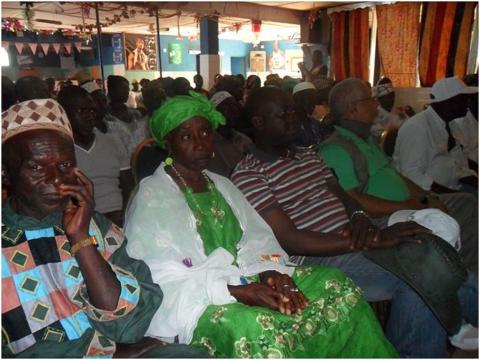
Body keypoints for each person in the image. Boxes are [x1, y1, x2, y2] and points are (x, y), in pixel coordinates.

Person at [124, 91, 397, 358]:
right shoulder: (152, 196)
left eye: (205, 132)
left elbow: (257, 239)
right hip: (199, 299)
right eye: (186, 136)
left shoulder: (221, 184)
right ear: (168, 143)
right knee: (254, 328)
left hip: (247, 275)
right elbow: (155, 278)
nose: (200, 143)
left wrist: (270, 272)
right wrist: (235, 290)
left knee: (334, 284)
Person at [231, 86, 478, 357]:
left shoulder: (307, 154)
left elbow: (342, 194)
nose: (295, 117)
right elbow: (290, 239)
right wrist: (366, 240)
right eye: (284, 113)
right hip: (314, 257)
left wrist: (360, 218)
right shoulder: (249, 174)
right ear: (258, 122)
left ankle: (454, 325)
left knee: (431, 247)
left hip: (353, 236)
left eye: (293, 110)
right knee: (417, 278)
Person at [1, 98, 208, 358]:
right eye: (35, 167)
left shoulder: (94, 226)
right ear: (5, 174)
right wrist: (105, 353)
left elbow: (127, 328)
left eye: (65, 165)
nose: (56, 179)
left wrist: (81, 238)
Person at [318, 78, 478, 273]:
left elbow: (397, 176)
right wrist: (408, 206)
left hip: (409, 204)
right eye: (370, 99)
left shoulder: (364, 139)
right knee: (442, 221)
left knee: (467, 203)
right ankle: (454, 277)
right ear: (353, 109)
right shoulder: (336, 148)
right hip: (384, 217)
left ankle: (466, 271)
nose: (376, 104)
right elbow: (352, 199)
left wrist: (429, 198)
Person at [58, 86, 134, 227]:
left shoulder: (113, 141)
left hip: (120, 214)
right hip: (81, 218)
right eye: (81, 111)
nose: (90, 116)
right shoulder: (59, 150)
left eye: (92, 110)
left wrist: (126, 215)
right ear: (65, 114)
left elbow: (129, 185)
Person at [394, 76, 478, 194]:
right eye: (464, 99)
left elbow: (458, 164)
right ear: (449, 101)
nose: (468, 104)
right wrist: (452, 194)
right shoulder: (418, 127)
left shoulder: (451, 125)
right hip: (427, 194)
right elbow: (411, 174)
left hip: (454, 186)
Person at [207, 91, 253, 177]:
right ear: (216, 113)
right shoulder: (209, 144)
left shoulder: (243, 139)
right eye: (227, 108)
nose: (234, 111)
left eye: (234, 106)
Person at [105, 75, 144, 156]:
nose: (127, 91)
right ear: (112, 90)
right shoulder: (106, 118)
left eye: (128, 88)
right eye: (123, 88)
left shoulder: (135, 114)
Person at [370, 78, 412, 144]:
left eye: (392, 96)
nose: (391, 100)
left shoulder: (398, 113)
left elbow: (410, 127)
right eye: (388, 97)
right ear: (380, 99)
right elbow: (382, 135)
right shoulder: (373, 115)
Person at [292, 82, 331, 148]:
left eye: (314, 100)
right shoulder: (291, 127)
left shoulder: (316, 123)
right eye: (308, 100)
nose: (312, 104)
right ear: (297, 101)